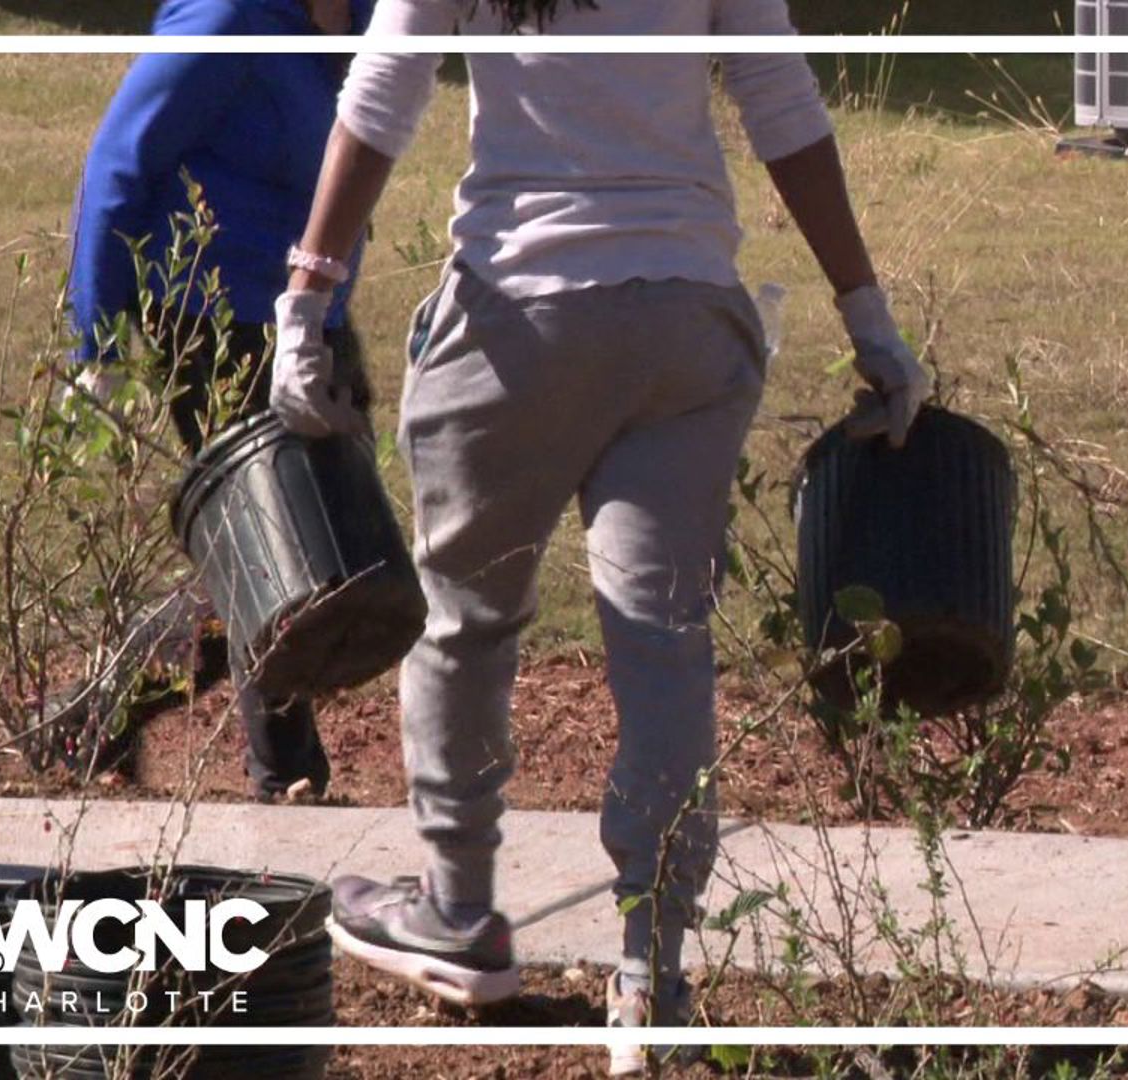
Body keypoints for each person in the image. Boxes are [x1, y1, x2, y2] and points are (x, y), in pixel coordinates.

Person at [270, 0, 931, 1063]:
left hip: (514, 320)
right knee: (664, 636)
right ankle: (651, 975)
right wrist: (869, 320)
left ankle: (459, 909)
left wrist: (306, 298)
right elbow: (782, 105)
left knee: (464, 619)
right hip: (687, 321)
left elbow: (383, 90)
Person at [66, 0, 375, 803]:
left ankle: (93, 719)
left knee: (319, 554)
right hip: (213, 320)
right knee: (276, 556)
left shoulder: (369, 14)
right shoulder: (230, 15)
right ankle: (289, 776)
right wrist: (96, 346)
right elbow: (117, 165)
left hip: (313, 314)